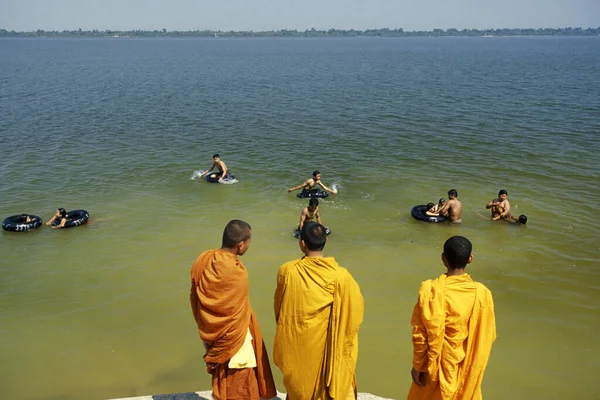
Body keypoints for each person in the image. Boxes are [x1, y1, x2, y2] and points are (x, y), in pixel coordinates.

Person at [274, 222, 364, 399]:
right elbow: (355, 314)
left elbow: (280, 309)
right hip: (327, 345)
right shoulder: (341, 276)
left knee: (300, 383)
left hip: (298, 344)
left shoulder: (288, 271)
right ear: (326, 241)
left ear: (302, 243)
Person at [190, 220, 277, 400]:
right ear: (240, 245)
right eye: (249, 242)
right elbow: (236, 306)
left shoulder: (203, 260)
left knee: (223, 380)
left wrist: (207, 333)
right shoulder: (238, 273)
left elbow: (195, 299)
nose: (249, 246)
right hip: (235, 336)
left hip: (213, 333)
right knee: (242, 382)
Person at [408, 236, 496, 400]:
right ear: (470, 259)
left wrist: (417, 366)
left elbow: (420, 333)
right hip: (464, 365)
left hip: (433, 367)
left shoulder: (431, 291)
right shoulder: (482, 294)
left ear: (443, 259)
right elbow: (486, 334)